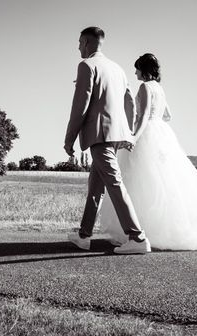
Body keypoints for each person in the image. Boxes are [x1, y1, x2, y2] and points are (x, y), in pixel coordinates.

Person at [100, 53, 197, 250]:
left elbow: (144, 115)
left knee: (143, 181)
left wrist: (134, 138)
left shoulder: (145, 86)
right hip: (161, 133)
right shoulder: (159, 89)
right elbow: (168, 115)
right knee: (164, 182)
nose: (135, 71)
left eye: (137, 68)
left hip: (147, 132)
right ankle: (152, 231)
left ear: (144, 70)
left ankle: (141, 232)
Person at [64, 27, 151, 254]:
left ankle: (138, 238)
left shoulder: (86, 66)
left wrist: (69, 138)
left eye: (79, 42)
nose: (78, 47)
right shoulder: (117, 68)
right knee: (96, 187)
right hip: (116, 135)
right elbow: (129, 101)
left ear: (86, 42)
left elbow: (80, 106)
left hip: (99, 135)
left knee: (114, 183)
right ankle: (84, 236)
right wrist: (128, 131)